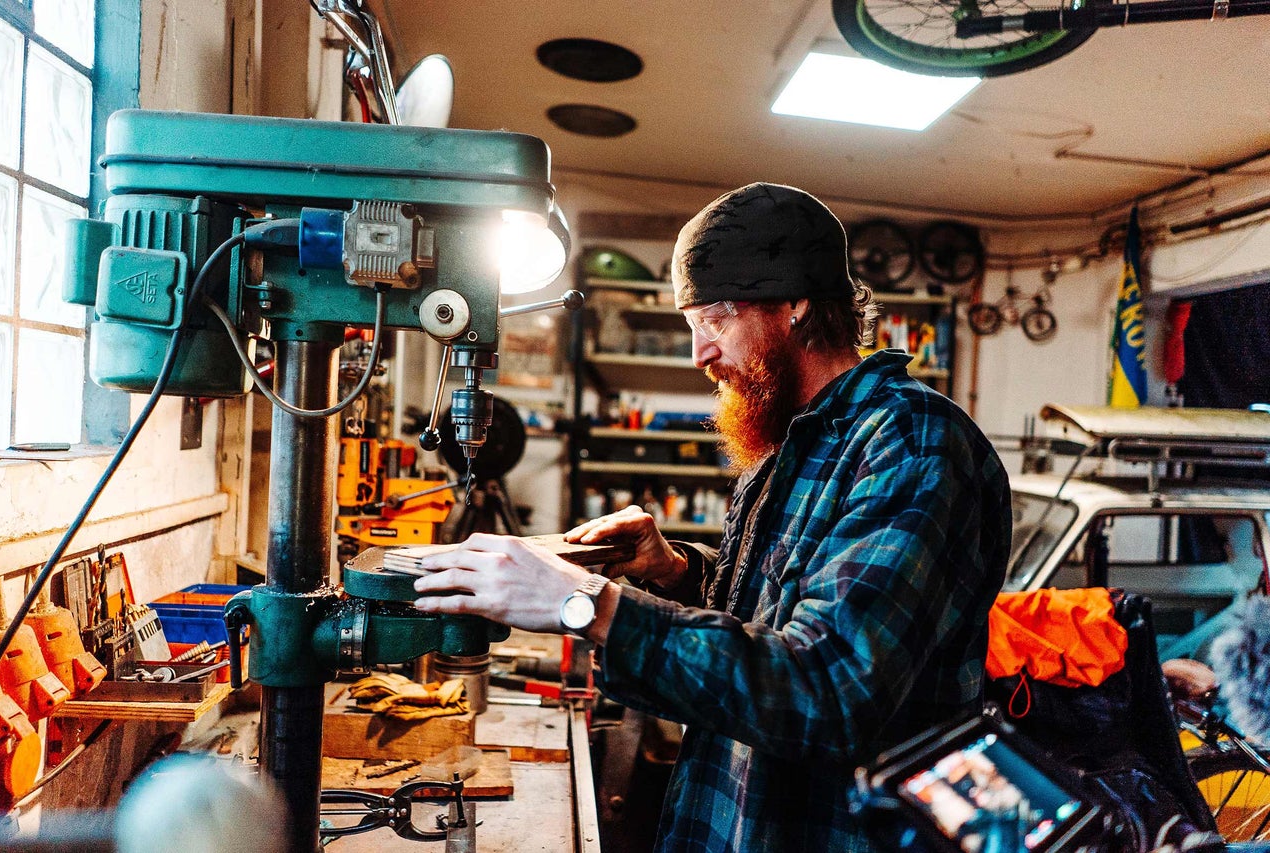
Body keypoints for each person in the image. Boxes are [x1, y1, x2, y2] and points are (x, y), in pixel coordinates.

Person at [412, 182, 1013, 852]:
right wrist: (673, 571)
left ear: (795, 304)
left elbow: (829, 689)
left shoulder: (912, 441)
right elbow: (776, 621)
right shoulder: (790, 438)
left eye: (714, 320)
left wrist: (585, 604)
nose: (699, 354)